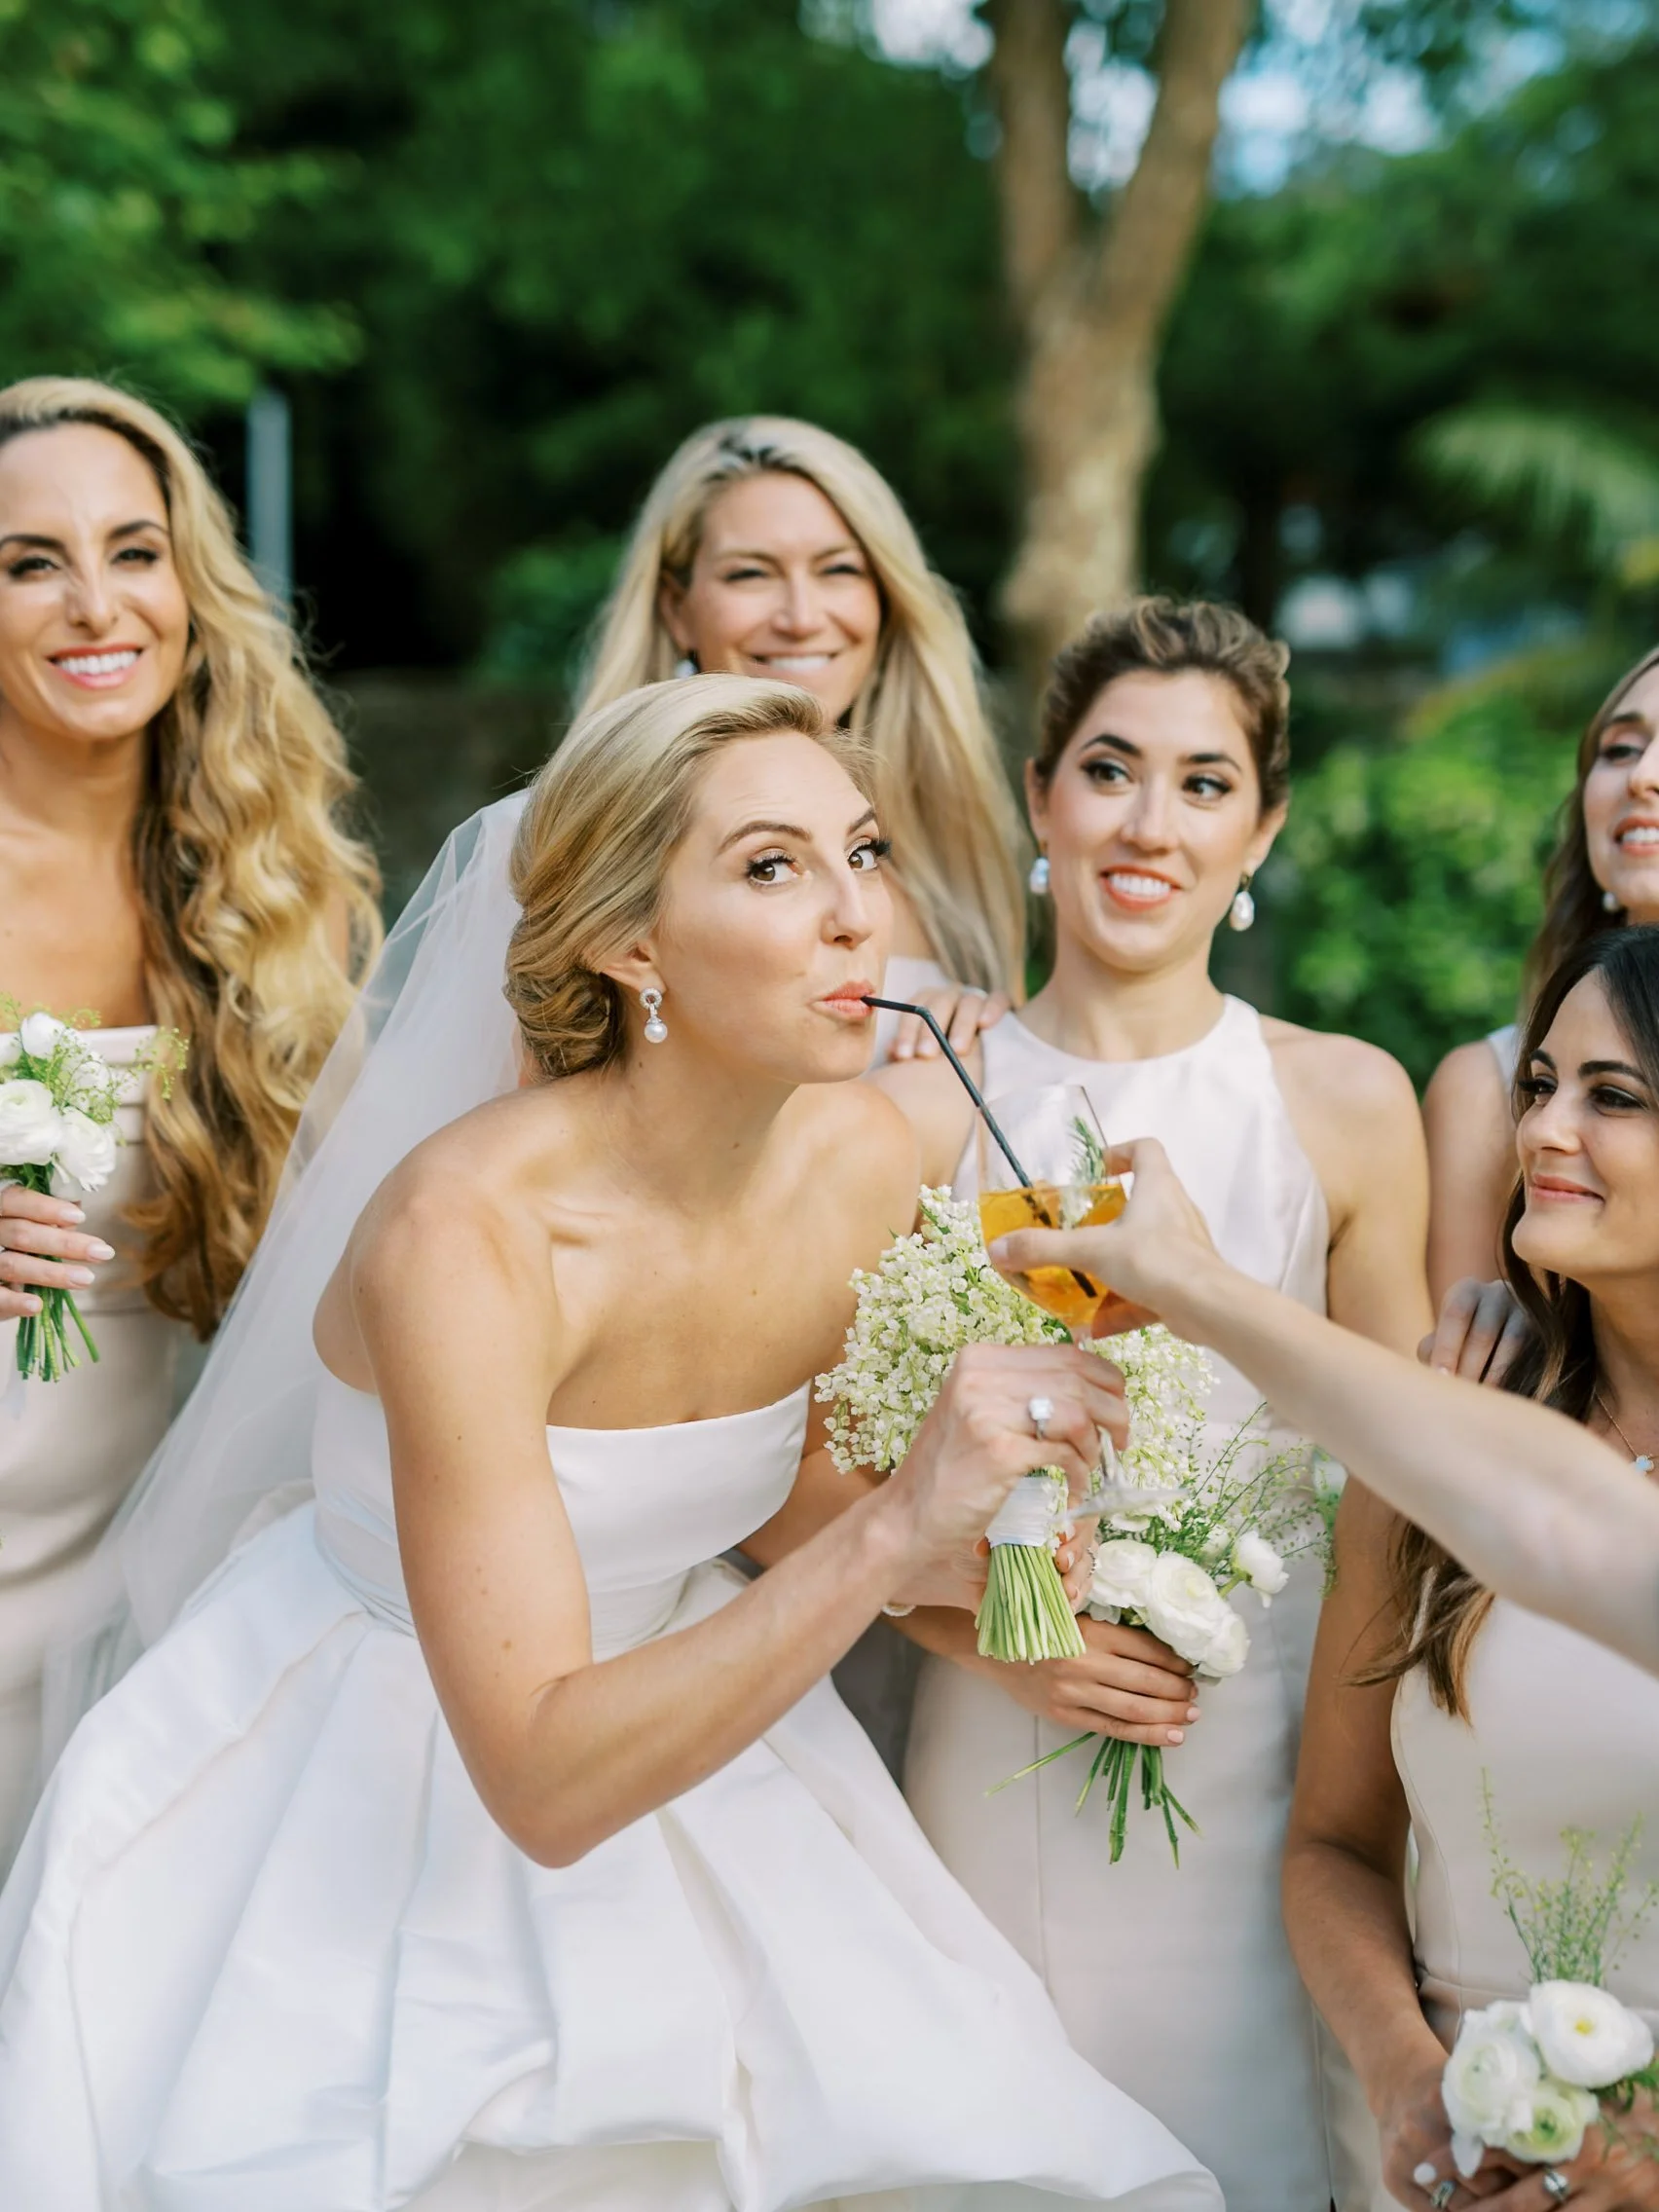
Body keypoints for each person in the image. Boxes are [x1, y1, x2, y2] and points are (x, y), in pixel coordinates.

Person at [0, 676, 1221, 2212]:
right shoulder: (473, 1239)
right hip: (405, 1777)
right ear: (630, 941)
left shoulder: (881, 1145)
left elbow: (771, 1481)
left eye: (862, 852)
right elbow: (544, 1783)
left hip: (714, 1730)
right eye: (773, 867)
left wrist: (1019, 1585)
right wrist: (898, 1534)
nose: (857, 916)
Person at [875, 596, 1434, 2211]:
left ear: (1257, 825)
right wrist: (987, 1629)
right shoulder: (917, 1111)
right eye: (1108, 770)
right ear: (1040, 794)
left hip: (1267, 1740)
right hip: (993, 1726)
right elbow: (800, 1478)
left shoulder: (1340, 1099)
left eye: (1200, 784)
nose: (1144, 822)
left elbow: (1395, 1479)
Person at [0, 375, 380, 1870]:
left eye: (134, 550)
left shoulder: (273, 893)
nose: (97, 604)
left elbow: (351, 1248)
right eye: (30, 561)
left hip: (129, 1578)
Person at [1284, 925, 1659, 2211]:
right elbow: (1332, 1842)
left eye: (1613, 1097)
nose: (1546, 1130)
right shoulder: (1446, 1432)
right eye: (1540, 1086)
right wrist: (1408, 2084)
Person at [574, 413, 1026, 1065]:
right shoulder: (593, 838)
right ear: (677, 608)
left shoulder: (958, 847)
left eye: (838, 569)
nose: (802, 617)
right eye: (751, 574)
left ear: (886, 596)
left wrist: (998, 1037)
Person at [1424, 646, 1659, 1298]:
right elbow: (1449, 1386)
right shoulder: (1486, 1085)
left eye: (1615, 1097)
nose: (1645, 776)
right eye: (1620, 750)